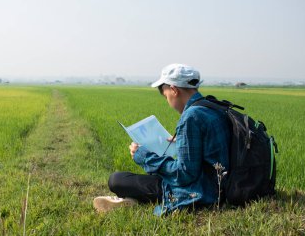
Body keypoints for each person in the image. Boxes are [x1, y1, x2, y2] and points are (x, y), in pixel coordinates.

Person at [93, 63, 231, 216]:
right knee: (140, 178)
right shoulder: (211, 106)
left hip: (201, 190)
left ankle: (133, 200)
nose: (167, 101)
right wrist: (182, 142)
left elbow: (184, 174)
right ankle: (132, 199)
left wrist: (143, 156)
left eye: (166, 96)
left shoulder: (191, 117)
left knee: (117, 180)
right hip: (220, 184)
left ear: (174, 90)